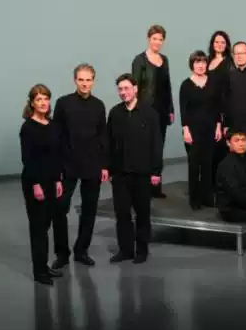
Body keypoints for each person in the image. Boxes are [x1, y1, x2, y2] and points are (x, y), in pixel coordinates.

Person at [51, 64, 109, 268]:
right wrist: (56, 167)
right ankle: (61, 254)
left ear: (93, 81)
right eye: (81, 80)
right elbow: (56, 136)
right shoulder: (63, 103)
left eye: (88, 80)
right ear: (75, 80)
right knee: (60, 209)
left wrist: (104, 165)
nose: (85, 84)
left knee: (89, 210)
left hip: (92, 164)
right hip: (67, 165)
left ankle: (81, 250)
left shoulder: (99, 105)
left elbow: (103, 136)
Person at [107, 74, 163, 264]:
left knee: (142, 214)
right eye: (120, 89)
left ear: (135, 88)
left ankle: (142, 250)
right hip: (120, 174)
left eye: (126, 88)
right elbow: (109, 142)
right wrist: (109, 169)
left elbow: (156, 144)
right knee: (122, 214)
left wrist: (156, 171)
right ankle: (125, 250)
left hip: (143, 173)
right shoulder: (115, 113)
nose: (123, 92)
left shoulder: (150, 113)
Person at [21, 84, 64, 285]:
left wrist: (58, 179)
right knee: (38, 228)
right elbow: (28, 159)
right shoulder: (28, 128)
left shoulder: (53, 125)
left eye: (46, 98)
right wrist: (36, 184)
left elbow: (56, 155)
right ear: (32, 103)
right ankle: (39, 272)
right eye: (38, 99)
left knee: (46, 225)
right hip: (35, 182)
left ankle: (44, 266)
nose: (43, 102)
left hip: (51, 180)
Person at [130, 25, 174, 198]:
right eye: (154, 38)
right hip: (145, 109)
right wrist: (136, 110)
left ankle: (155, 187)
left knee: (158, 147)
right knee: (144, 148)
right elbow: (134, 87)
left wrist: (170, 109)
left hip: (162, 111)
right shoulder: (139, 60)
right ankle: (142, 187)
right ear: (149, 39)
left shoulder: (165, 60)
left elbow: (167, 86)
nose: (157, 42)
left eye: (160, 39)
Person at [179, 51, 223, 210]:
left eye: (203, 62)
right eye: (197, 62)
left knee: (207, 164)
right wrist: (185, 130)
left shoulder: (213, 83)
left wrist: (218, 126)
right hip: (193, 129)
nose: (201, 65)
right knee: (194, 164)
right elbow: (183, 110)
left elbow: (217, 107)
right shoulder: (186, 85)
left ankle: (207, 197)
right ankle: (194, 199)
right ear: (192, 65)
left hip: (210, 128)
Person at [206, 30, 233, 180]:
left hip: (223, 109)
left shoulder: (229, 63)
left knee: (222, 147)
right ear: (212, 44)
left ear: (227, 45)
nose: (219, 44)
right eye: (216, 42)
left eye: (223, 42)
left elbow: (230, 89)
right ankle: (211, 182)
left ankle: (223, 182)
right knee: (210, 148)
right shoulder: (207, 60)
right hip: (208, 109)